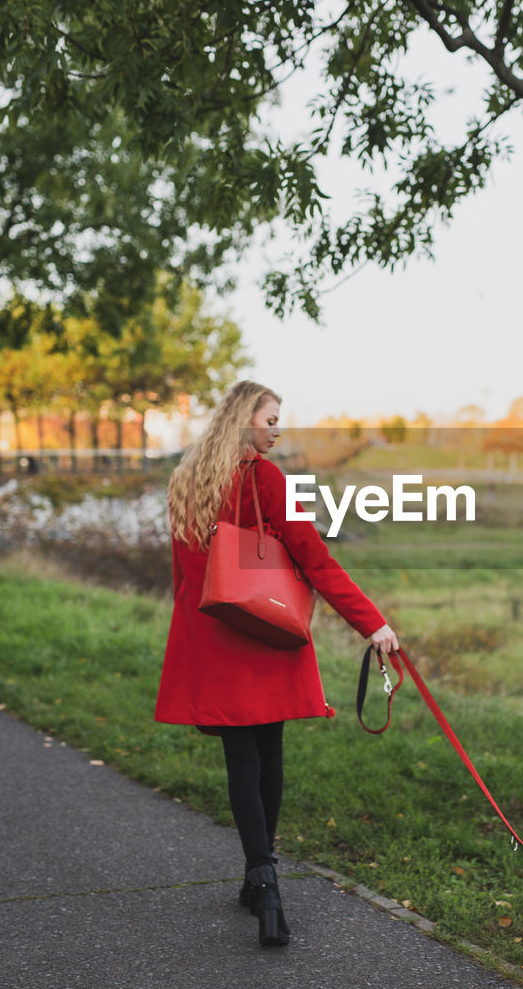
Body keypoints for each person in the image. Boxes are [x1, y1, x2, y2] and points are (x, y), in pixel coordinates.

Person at [155, 380, 398, 947]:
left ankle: (258, 879)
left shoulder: (185, 482)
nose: (277, 429)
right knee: (269, 751)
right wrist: (373, 623)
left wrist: (190, 643)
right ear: (245, 421)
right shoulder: (266, 479)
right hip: (264, 632)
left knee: (242, 759)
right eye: (270, 420)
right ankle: (264, 882)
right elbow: (318, 561)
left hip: (213, 636)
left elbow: (183, 578)